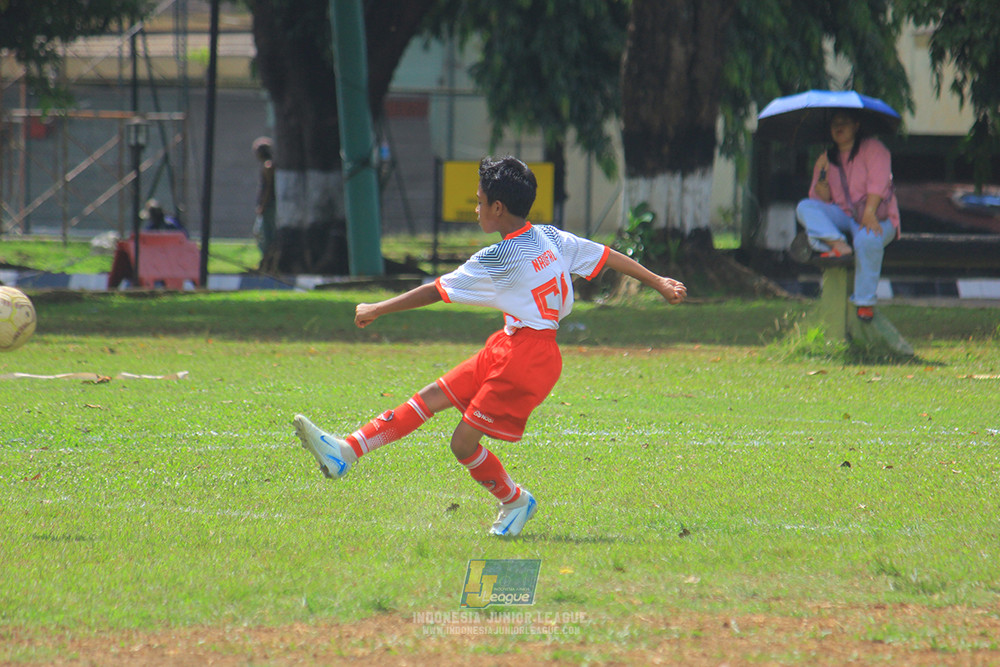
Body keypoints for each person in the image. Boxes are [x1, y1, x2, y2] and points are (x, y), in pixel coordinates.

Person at [293, 156, 687, 537]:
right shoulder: (550, 236)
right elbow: (606, 255)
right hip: (513, 344)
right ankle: (346, 453)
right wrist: (659, 281)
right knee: (430, 397)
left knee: (462, 443)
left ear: (498, 208)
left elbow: (436, 290)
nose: (476, 209)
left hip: (527, 358)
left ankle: (515, 501)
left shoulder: (500, 258)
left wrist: (377, 308)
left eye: (479, 201)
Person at [795, 110, 900, 322]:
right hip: (844, 216)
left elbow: (879, 183)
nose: (838, 127)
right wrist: (822, 181)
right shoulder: (827, 158)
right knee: (805, 207)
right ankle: (838, 244)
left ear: (856, 126)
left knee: (867, 240)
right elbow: (821, 201)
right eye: (834, 123)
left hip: (878, 215)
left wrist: (869, 212)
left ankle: (864, 302)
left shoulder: (873, 148)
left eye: (844, 122)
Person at [252, 137, 276, 253]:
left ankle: (268, 255)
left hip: (269, 205)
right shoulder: (267, 166)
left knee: (264, 233)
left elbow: (268, 188)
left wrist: (263, 205)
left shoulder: (268, 167)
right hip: (267, 204)